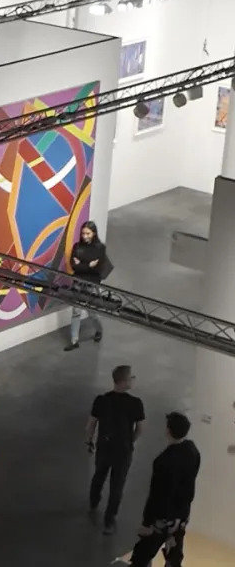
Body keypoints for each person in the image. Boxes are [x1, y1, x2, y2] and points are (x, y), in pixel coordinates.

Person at [127, 412, 201, 567]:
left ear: (168, 430)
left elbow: (157, 494)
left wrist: (147, 523)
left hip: (163, 518)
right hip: (181, 516)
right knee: (174, 554)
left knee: (141, 555)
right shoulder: (192, 451)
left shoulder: (163, 461)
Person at [87, 365, 145, 534]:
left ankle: (93, 502)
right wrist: (130, 441)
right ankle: (109, 521)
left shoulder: (101, 400)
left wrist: (89, 441)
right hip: (123, 451)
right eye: (131, 377)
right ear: (124, 381)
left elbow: (90, 425)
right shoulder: (135, 403)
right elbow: (140, 428)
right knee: (117, 485)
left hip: (104, 448)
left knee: (99, 475)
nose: (133, 379)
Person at [65, 220, 107, 351]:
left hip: (91, 285)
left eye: (88, 233)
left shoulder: (100, 248)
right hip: (78, 282)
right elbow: (73, 265)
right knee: (76, 312)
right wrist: (88, 265)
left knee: (92, 312)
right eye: (83, 233)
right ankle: (74, 341)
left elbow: (97, 269)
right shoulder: (77, 246)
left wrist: (81, 265)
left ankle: (99, 330)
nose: (85, 236)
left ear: (93, 233)